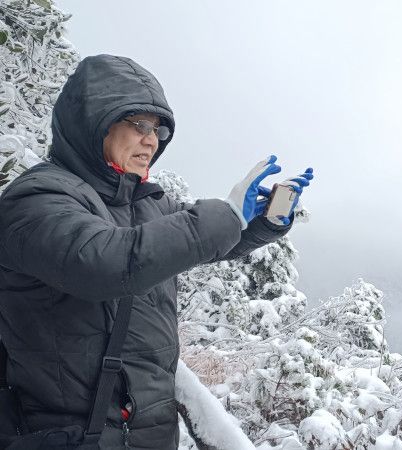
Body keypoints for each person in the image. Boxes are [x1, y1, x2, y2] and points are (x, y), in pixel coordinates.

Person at [0, 54, 312, 448]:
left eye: (159, 130)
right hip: (67, 434)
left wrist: (260, 222)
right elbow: (106, 263)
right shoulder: (37, 198)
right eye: (138, 125)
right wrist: (225, 215)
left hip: (149, 433)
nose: (152, 140)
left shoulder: (143, 202)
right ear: (92, 123)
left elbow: (194, 245)